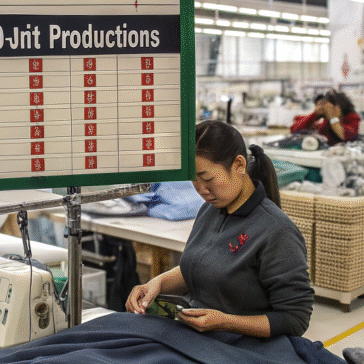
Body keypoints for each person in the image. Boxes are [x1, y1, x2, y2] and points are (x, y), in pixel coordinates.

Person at [126, 120, 313, 338]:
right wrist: (156, 284)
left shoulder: (276, 231)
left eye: (208, 179)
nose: (201, 190)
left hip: (242, 346)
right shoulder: (209, 210)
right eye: (193, 180)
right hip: (201, 336)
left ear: (239, 165)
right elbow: (202, 267)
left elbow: (295, 319)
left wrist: (225, 322)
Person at [290, 89, 360, 145]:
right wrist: (315, 115)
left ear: (339, 106)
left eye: (329, 107)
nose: (327, 110)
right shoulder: (327, 120)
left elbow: (344, 136)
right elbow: (294, 130)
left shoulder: (353, 117)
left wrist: (332, 117)